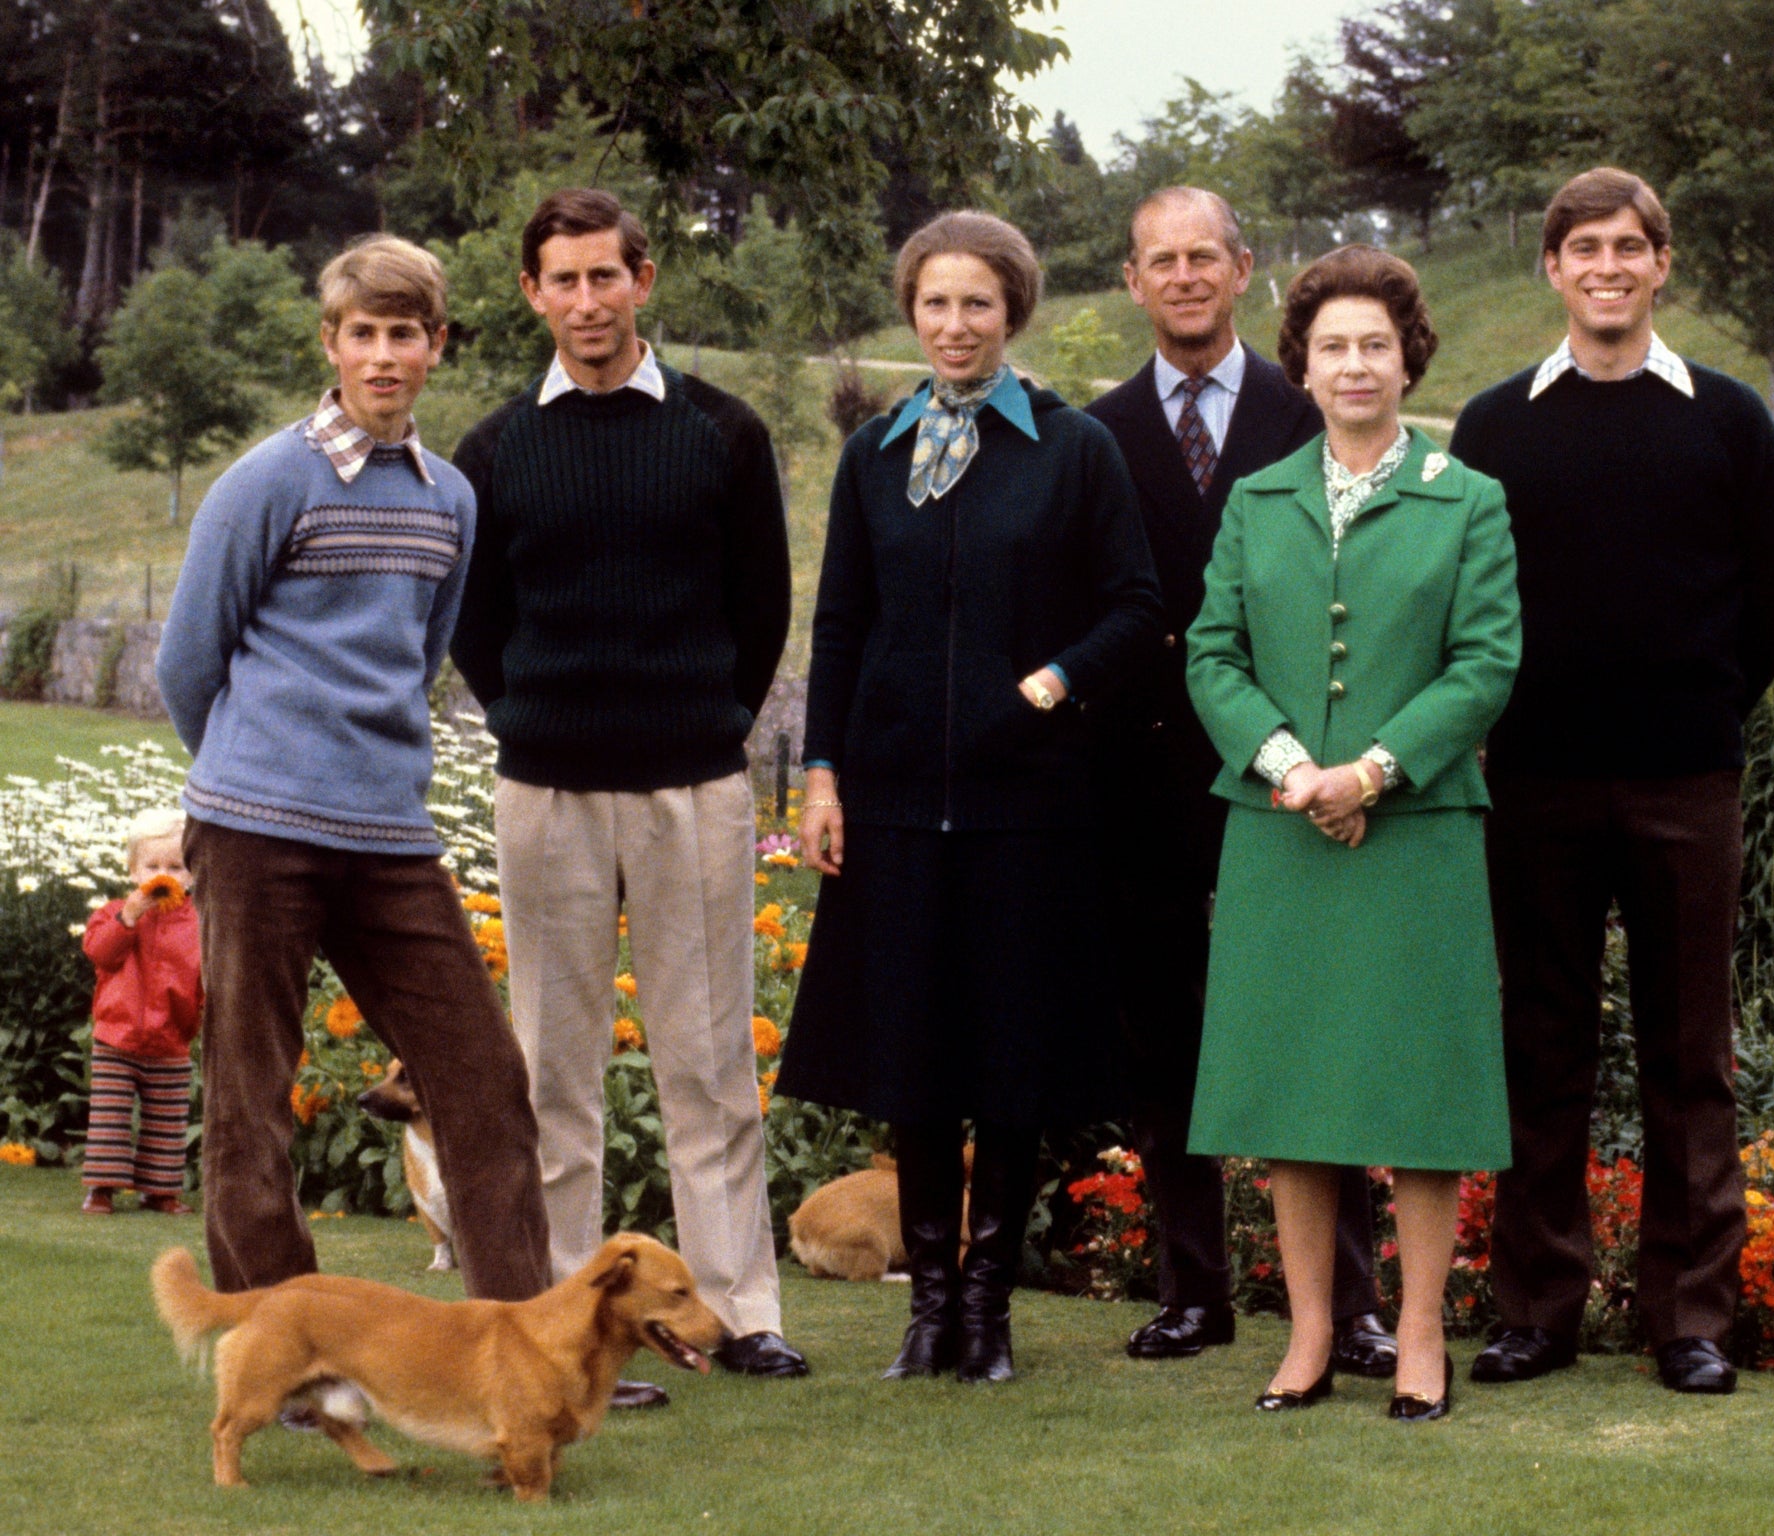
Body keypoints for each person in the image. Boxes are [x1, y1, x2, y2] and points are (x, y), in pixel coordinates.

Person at [777, 210, 1163, 1383]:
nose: (955, 325)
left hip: (1027, 806)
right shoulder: (872, 455)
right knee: (914, 1057)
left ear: (1013, 314)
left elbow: (1136, 608)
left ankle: (987, 1308)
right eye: (935, 304)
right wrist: (822, 773)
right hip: (891, 805)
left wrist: (1045, 686)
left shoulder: (1071, 446)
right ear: (912, 313)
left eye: (977, 305)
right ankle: (927, 1307)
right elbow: (839, 626)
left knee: (1005, 1061)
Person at [1451, 168, 1774, 1396]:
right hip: (1534, 782)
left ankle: (1688, 1320)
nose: (1605, 265)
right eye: (1582, 247)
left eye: (1627, 246)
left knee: (1687, 1056)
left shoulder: (1723, 418)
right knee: (1538, 1048)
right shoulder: (1493, 426)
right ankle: (1535, 1311)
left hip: (1682, 783)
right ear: (1549, 268)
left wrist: (1698, 714)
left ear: (1662, 263)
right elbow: (1465, 607)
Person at [449, 189, 803, 1394]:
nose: (587, 302)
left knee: (706, 1062)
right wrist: (530, 717)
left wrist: (704, 721)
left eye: (608, 277)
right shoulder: (495, 450)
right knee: (553, 1069)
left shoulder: (722, 431)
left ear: (644, 281)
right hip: (544, 787)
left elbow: (761, 610)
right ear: (532, 293)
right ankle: (567, 1324)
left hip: (689, 785)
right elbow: (476, 624)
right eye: (564, 280)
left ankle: (740, 1310)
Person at [157, 234, 550, 1303]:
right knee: (250, 1095)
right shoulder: (267, 481)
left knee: (481, 1079)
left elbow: (418, 661)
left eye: (405, 335)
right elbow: (188, 660)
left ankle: (521, 1337)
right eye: (363, 334)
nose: (383, 356)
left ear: (434, 347)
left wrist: (348, 775)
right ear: (331, 344)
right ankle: (279, 1350)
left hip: (388, 837)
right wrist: (251, 778)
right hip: (256, 830)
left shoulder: (449, 500)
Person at [1184, 245, 1520, 1422]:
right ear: (1304, 365)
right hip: (1278, 831)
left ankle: (1419, 1333)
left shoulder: (1466, 499)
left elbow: (1486, 663)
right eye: (1332, 345)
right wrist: (1289, 771)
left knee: (1418, 1093)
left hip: (1415, 829)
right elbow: (1209, 653)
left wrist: (1368, 773)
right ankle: (1311, 1335)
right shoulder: (1257, 496)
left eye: (1374, 342)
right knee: (1289, 1089)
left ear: (1406, 354)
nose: (1354, 363)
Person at [1085, 187, 1396, 1374]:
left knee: (1320, 1031)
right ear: (1130, 280)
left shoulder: (1307, 406)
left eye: (1201, 257)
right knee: (1167, 1041)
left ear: (1241, 269)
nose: (1181, 277)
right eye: (1158, 261)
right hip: (1149, 773)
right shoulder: (1097, 429)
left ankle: (1353, 1305)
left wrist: (1338, 765)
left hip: (1300, 773)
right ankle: (1193, 1291)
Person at [79, 807, 203, 1216]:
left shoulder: (200, 921)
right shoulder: (115, 913)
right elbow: (99, 953)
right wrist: (128, 917)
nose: (161, 874)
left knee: (166, 1122)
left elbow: (207, 975)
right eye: (151, 865)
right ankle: (102, 1188)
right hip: (118, 1036)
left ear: (191, 873)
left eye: (175, 866)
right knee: (110, 1117)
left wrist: (196, 1018)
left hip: (171, 1039)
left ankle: (160, 1190)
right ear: (133, 870)